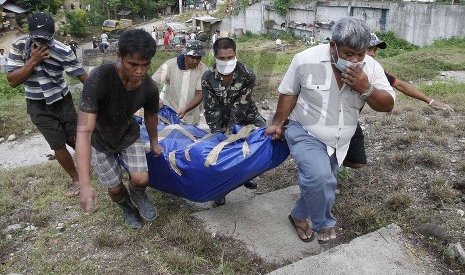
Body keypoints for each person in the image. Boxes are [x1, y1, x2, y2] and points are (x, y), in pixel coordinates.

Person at [265, 18, 395, 244]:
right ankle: (324, 223)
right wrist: (278, 122)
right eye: (348, 54)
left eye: (360, 54)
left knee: (326, 181)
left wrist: (366, 88)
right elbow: (289, 93)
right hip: (305, 130)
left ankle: (297, 216)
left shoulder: (372, 69)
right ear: (332, 45)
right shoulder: (305, 60)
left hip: (340, 139)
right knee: (318, 178)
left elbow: (387, 105)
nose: (355, 60)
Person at [76, 29, 161, 229]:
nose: (140, 71)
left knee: (141, 179)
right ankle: (127, 208)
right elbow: (83, 132)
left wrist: (155, 143)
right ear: (119, 56)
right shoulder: (99, 79)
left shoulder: (149, 87)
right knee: (115, 189)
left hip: (127, 134)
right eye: (133, 64)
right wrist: (85, 184)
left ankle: (139, 195)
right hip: (100, 140)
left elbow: (151, 115)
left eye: (145, 64)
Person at [344, 33, 454, 169]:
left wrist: (430, 101)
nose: (372, 54)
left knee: (357, 161)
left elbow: (399, 84)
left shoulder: (373, 70)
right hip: (326, 116)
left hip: (350, 118)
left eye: (375, 50)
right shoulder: (338, 65)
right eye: (369, 49)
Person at [7, 13, 87, 197]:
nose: (41, 41)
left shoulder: (63, 50)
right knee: (57, 144)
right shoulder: (19, 47)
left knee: (74, 139)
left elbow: (83, 78)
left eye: (46, 38)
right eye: (36, 37)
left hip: (62, 99)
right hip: (37, 103)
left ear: (53, 33)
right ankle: (76, 179)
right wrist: (33, 60)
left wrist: (102, 99)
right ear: (30, 32)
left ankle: (93, 162)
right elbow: (12, 81)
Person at [201, 37, 265, 205]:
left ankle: (246, 176)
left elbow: (242, 105)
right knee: (220, 153)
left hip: (246, 115)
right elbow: (210, 108)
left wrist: (232, 131)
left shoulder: (247, 73)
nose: (227, 61)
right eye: (222, 58)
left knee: (258, 141)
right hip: (220, 118)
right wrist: (218, 133)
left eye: (230, 57)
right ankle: (220, 190)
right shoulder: (208, 76)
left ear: (235, 54)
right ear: (215, 56)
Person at [152, 40, 207, 126]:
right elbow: (153, 82)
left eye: (198, 58)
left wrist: (185, 109)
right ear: (185, 54)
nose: (195, 61)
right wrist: (157, 100)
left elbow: (200, 94)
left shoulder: (203, 70)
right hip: (169, 113)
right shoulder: (170, 65)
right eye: (192, 57)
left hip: (191, 116)